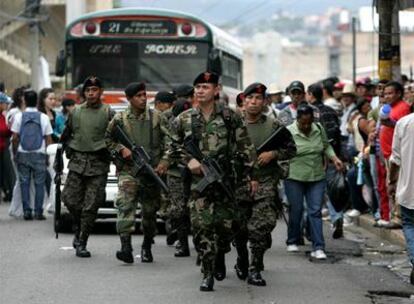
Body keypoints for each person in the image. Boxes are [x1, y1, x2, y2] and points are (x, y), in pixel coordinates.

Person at [165, 72, 258, 292]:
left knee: (226, 229)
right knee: (201, 227)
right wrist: (190, 160)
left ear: (217, 89)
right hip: (200, 186)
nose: (200, 90)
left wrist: (251, 176)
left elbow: (246, 148)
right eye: (197, 87)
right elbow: (172, 147)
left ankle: (219, 255)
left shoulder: (230, 117)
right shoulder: (184, 118)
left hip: (226, 182)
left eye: (205, 86)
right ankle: (207, 273)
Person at [234, 83, 296, 286]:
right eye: (250, 98)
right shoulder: (233, 125)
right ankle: (242, 257)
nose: (253, 102)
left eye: (258, 99)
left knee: (261, 227)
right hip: (237, 183)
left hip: (265, 182)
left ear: (265, 102)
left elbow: (291, 149)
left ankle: (255, 267)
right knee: (239, 228)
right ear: (243, 100)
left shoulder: (274, 126)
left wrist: (273, 154)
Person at [106, 82, 168, 264]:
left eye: (144, 95)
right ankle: (126, 247)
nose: (143, 99)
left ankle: (147, 245)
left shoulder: (157, 118)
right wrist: (120, 148)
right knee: (125, 207)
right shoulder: (119, 119)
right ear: (130, 99)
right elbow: (107, 140)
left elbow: (171, 142)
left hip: (152, 172)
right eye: (139, 96)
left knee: (149, 214)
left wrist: (165, 161)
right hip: (129, 171)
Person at [61, 76, 114, 258]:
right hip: (77, 163)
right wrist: (61, 156)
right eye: (88, 90)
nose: (91, 93)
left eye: (95, 90)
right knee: (69, 198)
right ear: (84, 93)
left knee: (91, 206)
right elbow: (66, 135)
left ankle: (82, 241)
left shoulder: (109, 113)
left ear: (100, 92)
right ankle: (78, 224)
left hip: (98, 164)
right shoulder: (76, 112)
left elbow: (117, 138)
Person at [285, 104, 343, 259]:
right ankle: (292, 239)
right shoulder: (289, 131)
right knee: (296, 209)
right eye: (302, 123)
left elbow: (326, 146)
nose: (305, 126)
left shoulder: (318, 128)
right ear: (297, 120)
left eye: (308, 123)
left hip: (316, 176)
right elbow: (281, 152)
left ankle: (318, 246)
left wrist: (335, 158)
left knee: (315, 211)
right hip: (294, 177)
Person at [306, 83, 343, 238]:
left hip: (317, 158)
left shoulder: (310, 113)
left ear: (311, 95)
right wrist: (338, 157)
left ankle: (310, 228)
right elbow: (338, 134)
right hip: (333, 155)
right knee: (333, 190)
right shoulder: (331, 110)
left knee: (315, 193)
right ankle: (337, 217)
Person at [11, 90, 53, 220]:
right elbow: (48, 138)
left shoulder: (19, 116)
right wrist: (47, 156)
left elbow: (15, 137)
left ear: (25, 100)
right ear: (36, 101)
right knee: (39, 184)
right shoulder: (43, 117)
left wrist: (15, 152)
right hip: (39, 153)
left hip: (23, 153)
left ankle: (27, 211)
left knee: (24, 182)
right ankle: (38, 212)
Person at [160, 96, 192, 257]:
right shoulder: (168, 127)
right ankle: (182, 242)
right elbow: (167, 149)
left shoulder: (196, 125)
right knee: (178, 209)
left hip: (195, 174)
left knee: (193, 209)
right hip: (175, 173)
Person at [379, 81, 411, 227]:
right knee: (389, 185)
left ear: (399, 93)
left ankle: (398, 217)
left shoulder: (403, 108)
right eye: (385, 93)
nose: (387, 96)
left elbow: (402, 127)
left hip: (396, 153)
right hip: (387, 152)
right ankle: (394, 215)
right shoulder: (388, 107)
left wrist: (389, 123)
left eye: (390, 93)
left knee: (396, 184)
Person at [388, 112, 414, 284]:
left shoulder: (404, 123)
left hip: (408, 189)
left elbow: (395, 159)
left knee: (410, 224)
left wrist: (392, 182)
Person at [0, 93, 12, 203]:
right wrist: (11, 129)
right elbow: (3, 130)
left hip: (3, 148)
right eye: (5, 103)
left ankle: (7, 192)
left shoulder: (3, 115)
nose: (7, 105)